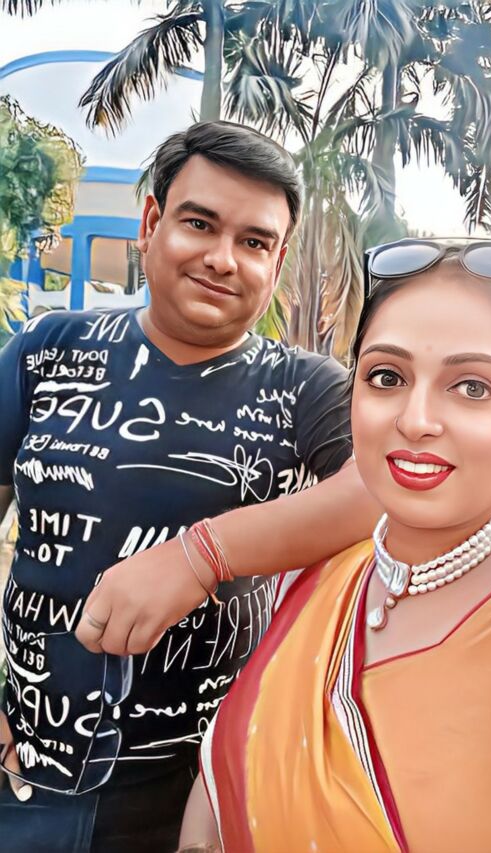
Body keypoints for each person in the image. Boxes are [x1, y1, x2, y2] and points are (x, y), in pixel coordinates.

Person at [182, 239, 491, 853]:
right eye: (387, 377)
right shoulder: (316, 582)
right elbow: (224, 789)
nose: (416, 419)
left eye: (472, 387)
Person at [0, 121, 379, 853]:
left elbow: (380, 484)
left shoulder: (306, 389)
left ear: (277, 262)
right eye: (199, 224)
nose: (222, 259)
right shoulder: (47, 352)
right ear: (151, 223)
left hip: (202, 795)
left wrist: (200, 556)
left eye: (254, 241)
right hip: (23, 776)